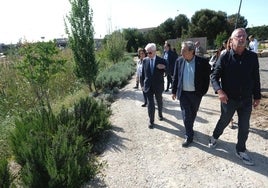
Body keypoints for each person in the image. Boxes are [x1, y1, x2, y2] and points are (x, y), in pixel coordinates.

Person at [209, 28, 261, 166]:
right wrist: (219, 91)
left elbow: (255, 78)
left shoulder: (252, 57)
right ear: (232, 40)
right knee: (224, 121)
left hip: (245, 100)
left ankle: (241, 150)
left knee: (245, 126)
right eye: (238, 36)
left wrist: (257, 96)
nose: (242, 38)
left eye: (244, 36)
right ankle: (214, 137)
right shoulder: (225, 56)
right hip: (228, 99)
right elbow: (214, 76)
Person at [171, 41, 211, 147]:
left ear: (192, 51)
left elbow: (206, 79)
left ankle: (189, 128)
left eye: (183, 50)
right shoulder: (179, 61)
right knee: (186, 115)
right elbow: (176, 77)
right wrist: (174, 91)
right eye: (181, 50)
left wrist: (202, 93)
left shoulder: (202, 62)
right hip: (183, 94)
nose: (181, 52)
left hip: (196, 94)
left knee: (192, 114)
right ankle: (189, 135)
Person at [140, 43, 167, 129]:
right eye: (147, 53)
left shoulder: (161, 60)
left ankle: (160, 114)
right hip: (148, 86)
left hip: (158, 86)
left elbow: (170, 70)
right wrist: (142, 84)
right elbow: (143, 74)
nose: (148, 54)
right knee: (150, 104)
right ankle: (151, 121)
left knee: (159, 101)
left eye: (150, 53)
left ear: (155, 51)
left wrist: (164, 67)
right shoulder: (145, 60)